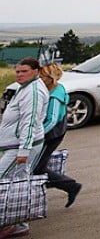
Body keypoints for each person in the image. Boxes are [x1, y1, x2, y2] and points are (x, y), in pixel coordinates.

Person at [0, 58, 48, 239]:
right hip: (16, 145)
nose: (19, 75)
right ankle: (19, 224)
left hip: (21, 147)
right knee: (17, 183)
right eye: (17, 71)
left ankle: (13, 223)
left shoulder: (33, 92)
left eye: (24, 71)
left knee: (4, 181)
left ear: (36, 71)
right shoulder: (26, 88)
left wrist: (23, 151)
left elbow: (30, 122)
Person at [33, 63, 82, 207]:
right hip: (52, 134)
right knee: (38, 166)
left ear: (51, 78)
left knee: (37, 167)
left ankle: (70, 185)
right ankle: (67, 185)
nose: (39, 79)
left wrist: (36, 136)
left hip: (51, 135)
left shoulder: (55, 96)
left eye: (42, 76)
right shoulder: (54, 89)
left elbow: (52, 120)